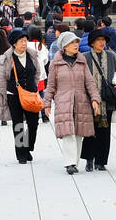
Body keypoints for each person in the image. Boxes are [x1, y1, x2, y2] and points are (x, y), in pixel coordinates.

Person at [43, 31, 100, 175]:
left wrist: (95, 99)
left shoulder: (82, 62)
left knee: (79, 133)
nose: (76, 45)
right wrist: (47, 103)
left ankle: (74, 161)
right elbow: (50, 85)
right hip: (63, 102)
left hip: (81, 101)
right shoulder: (55, 64)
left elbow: (90, 82)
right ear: (64, 46)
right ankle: (70, 163)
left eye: (76, 42)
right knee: (68, 133)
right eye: (72, 43)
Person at [0, 28, 45, 164]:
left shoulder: (32, 55)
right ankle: (21, 154)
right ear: (14, 43)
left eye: (25, 41)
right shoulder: (7, 58)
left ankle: (28, 147)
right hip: (14, 95)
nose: (24, 44)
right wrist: (5, 93)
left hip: (30, 94)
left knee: (33, 123)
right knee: (18, 124)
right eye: (21, 41)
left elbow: (38, 73)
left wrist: (33, 86)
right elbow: (1, 78)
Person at [80, 29, 116, 171]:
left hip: (107, 99)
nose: (102, 43)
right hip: (90, 99)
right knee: (90, 131)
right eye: (99, 40)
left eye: (104, 40)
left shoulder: (111, 56)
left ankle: (101, 160)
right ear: (92, 43)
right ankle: (89, 159)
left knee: (105, 130)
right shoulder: (85, 57)